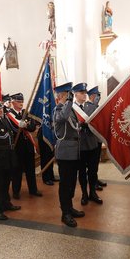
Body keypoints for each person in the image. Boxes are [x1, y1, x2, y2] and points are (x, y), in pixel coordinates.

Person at [53, 82, 85, 227]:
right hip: (65, 151)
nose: (70, 98)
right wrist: (70, 102)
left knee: (72, 182)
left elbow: (75, 126)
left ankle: (70, 207)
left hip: (74, 150)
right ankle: (65, 212)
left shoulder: (69, 110)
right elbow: (63, 118)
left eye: (70, 95)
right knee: (65, 184)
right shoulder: (58, 110)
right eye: (68, 95)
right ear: (61, 96)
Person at [7, 93, 42, 199]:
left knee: (30, 169)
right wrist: (22, 126)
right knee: (17, 170)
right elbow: (12, 129)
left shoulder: (25, 113)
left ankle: (33, 190)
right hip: (17, 146)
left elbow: (32, 127)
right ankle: (16, 192)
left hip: (28, 146)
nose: (21, 103)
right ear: (13, 102)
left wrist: (25, 125)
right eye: (18, 102)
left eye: (22, 101)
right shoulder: (9, 115)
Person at [73, 83, 103, 205]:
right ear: (75, 94)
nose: (84, 95)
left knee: (93, 171)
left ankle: (93, 193)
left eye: (85, 93)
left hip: (92, 144)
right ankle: (84, 194)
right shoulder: (72, 108)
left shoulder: (90, 106)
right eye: (82, 93)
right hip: (80, 145)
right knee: (81, 172)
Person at [87, 86, 107, 191]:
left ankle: (95, 179)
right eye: (97, 95)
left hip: (98, 138)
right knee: (92, 163)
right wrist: (95, 104)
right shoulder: (88, 106)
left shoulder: (95, 105)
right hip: (92, 139)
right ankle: (93, 182)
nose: (98, 97)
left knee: (96, 162)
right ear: (92, 96)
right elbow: (91, 118)